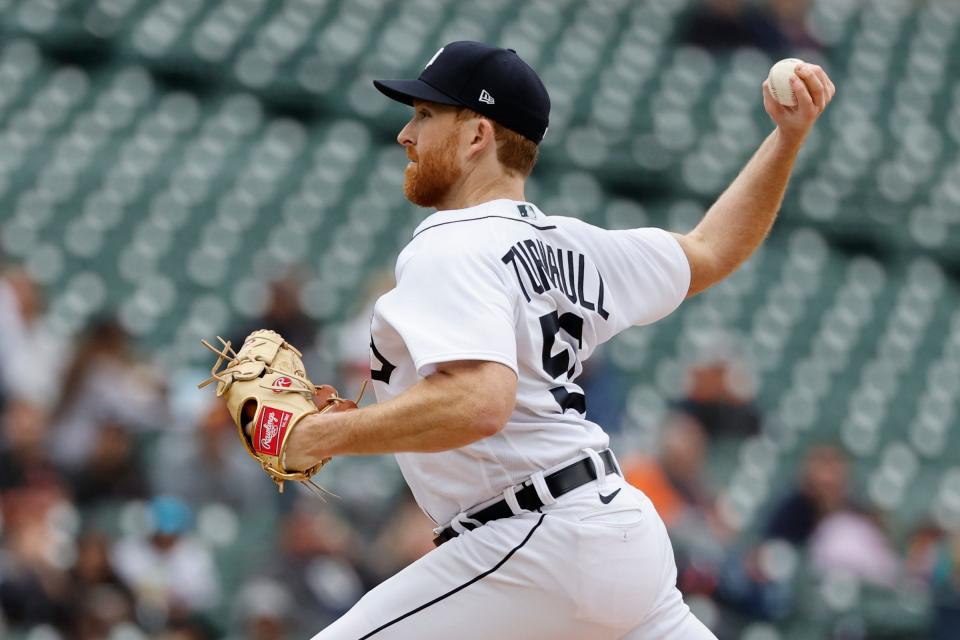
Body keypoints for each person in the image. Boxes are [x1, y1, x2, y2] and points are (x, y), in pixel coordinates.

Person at [282, 41, 834, 639]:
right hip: (620, 535)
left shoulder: (448, 242)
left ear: (476, 137)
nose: (405, 134)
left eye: (424, 115)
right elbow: (711, 249)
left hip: (535, 542)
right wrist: (787, 139)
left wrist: (321, 436)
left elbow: (480, 401)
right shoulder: (568, 243)